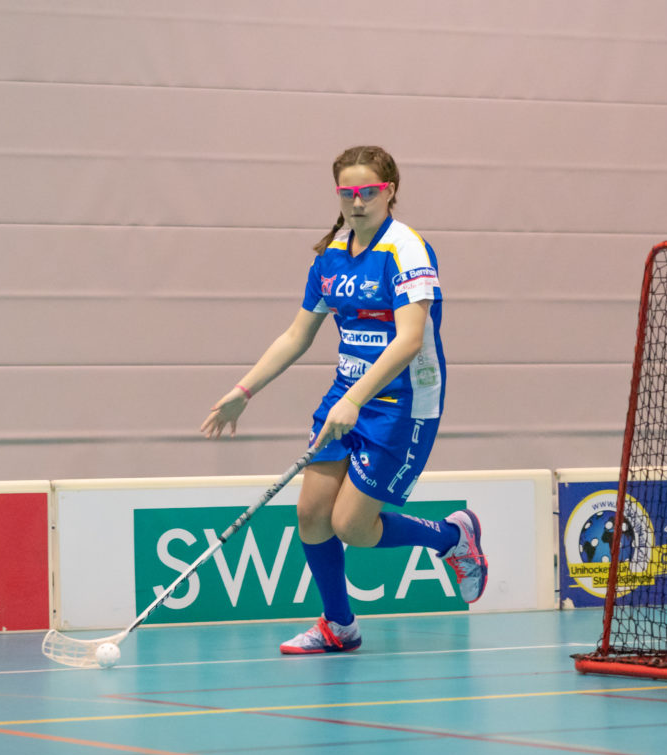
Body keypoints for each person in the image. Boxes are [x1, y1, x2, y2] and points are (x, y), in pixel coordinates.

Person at [199, 145, 488, 654]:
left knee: (352, 527)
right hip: (348, 394)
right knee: (311, 514)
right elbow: (297, 334)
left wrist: (354, 398)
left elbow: (409, 340)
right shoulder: (332, 251)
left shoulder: (407, 250)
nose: (358, 202)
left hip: (402, 401)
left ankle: (453, 538)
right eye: (347, 192)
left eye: (368, 191)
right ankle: (339, 625)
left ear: (390, 191)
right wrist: (244, 392)